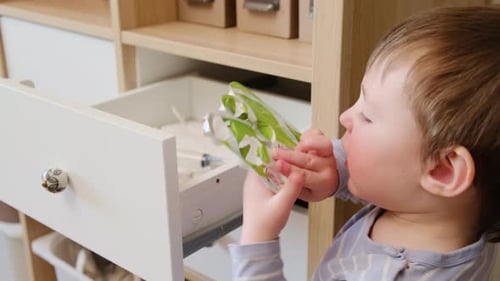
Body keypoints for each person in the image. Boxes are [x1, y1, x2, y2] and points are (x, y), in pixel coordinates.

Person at [229, 6, 500, 281]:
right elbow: (399, 178)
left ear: (443, 170)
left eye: (367, 116)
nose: (345, 117)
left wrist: (258, 239)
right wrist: (336, 172)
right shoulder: (463, 212)